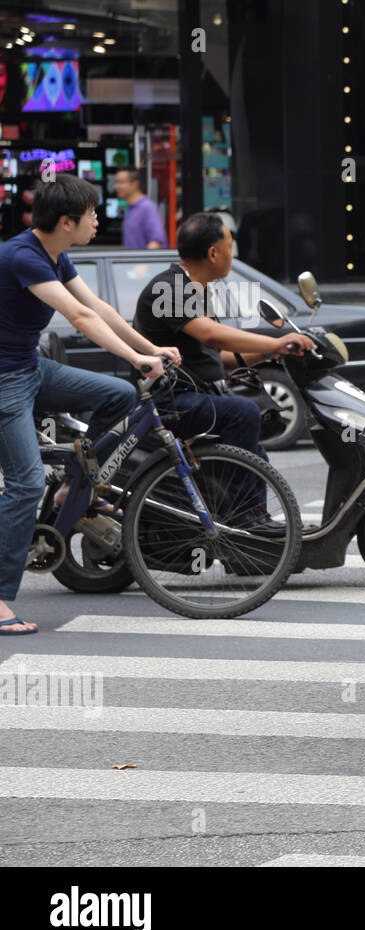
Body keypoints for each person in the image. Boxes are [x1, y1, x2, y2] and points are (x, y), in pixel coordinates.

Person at [0, 175, 178, 635]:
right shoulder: (23, 256)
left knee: (118, 395)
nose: (98, 220)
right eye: (92, 214)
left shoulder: (56, 254)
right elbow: (77, 316)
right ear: (66, 222)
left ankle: (72, 488)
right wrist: (136, 358)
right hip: (5, 381)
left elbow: (98, 307)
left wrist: (149, 348)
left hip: (32, 369)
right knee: (23, 484)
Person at [132, 212, 315, 474]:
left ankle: (250, 510)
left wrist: (272, 353)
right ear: (213, 254)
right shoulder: (169, 286)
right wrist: (276, 342)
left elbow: (219, 357)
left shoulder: (197, 288)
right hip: (169, 399)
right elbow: (211, 334)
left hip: (194, 395)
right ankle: (243, 513)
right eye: (229, 247)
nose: (233, 254)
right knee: (244, 413)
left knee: (257, 452)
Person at [113, 168, 167, 250]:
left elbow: (156, 243)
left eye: (121, 182)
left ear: (135, 184)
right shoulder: (131, 208)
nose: (116, 186)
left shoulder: (147, 208)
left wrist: (143, 262)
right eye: (116, 182)